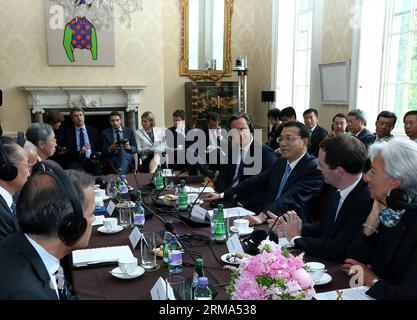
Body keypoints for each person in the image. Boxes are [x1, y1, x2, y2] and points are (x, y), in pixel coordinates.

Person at [270, 134, 372, 262]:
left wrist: (295, 238)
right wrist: (293, 227)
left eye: (321, 165)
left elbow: (338, 248)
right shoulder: (336, 185)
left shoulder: (366, 199)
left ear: (339, 171)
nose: (317, 168)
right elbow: (325, 227)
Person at [0, 164, 95, 299]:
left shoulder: (28, 247)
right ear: (71, 226)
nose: (94, 219)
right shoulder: (28, 294)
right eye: (91, 214)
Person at [343, 138, 417, 299]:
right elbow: (352, 263)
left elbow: (409, 295)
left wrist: (372, 280)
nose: (366, 178)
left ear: (394, 182)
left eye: (373, 172)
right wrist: (370, 224)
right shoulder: (388, 211)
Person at [205, 121, 322, 220]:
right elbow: (255, 180)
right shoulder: (281, 162)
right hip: (269, 217)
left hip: (291, 225)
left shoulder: (312, 168)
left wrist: (262, 216)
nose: (283, 143)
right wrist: (222, 195)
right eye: (280, 139)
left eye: (289, 138)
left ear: (305, 142)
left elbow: (290, 198)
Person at [204, 113, 276, 212]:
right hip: (226, 201)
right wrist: (221, 195)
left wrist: (238, 203)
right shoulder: (232, 150)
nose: (240, 134)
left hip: (248, 206)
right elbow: (223, 178)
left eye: (243, 129)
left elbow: (268, 188)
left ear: (251, 130)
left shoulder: (264, 152)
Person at [0, 137, 31, 241]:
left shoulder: (15, 199)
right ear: (8, 169)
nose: (29, 174)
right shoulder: (2, 215)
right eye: (27, 166)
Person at [60, 107, 101, 175]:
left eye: (80, 115)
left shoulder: (93, 131)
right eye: (76, 116)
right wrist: (80, 152)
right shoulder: (67, 132)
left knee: (97, 170)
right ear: (72, 119)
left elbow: (99, 147)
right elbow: (67, 152)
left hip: (91, 159)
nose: (79, 118)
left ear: (84, 117)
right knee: (75, 173)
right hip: (76, 160)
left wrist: (96, 157)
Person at [166, 109, 198, 175]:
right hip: (176, 156)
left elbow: (195, 147)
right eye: (174, 120)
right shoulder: (170, 131)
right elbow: (170, 148)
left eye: (177, 120)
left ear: (184, 121)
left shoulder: (191, 131)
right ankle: (207, 174)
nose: (175, 122)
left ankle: (194, 180)